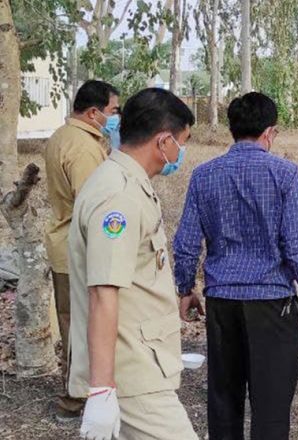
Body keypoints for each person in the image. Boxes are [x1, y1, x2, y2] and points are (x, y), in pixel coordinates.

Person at [173, 91, 298, 440]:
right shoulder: (285, 174)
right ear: (270, 132)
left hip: (222, 301)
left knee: (224, 399)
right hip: (271, 302)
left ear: (232, 129)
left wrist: (185, 288)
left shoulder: (204, 175)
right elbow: (296, 243)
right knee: (271, 405)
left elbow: (186, 242)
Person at [68, 88, 197, 439]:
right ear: (164, 141)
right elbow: (103, 292)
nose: (181, 153)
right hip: (132, 373)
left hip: (142, 362)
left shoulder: (130, 183)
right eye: (182, 143)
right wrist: (102, 390)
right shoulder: (119, 196)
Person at [43, 79, 120, 421]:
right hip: (79, 249)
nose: (116, 117)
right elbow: (94, 206)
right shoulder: (84, 148)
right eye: (113, 111)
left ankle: (80, 392)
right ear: (93, 112)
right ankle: (74, 399)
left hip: (64, 242)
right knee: (81, 326)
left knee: (72, 321)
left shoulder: (63, 136)